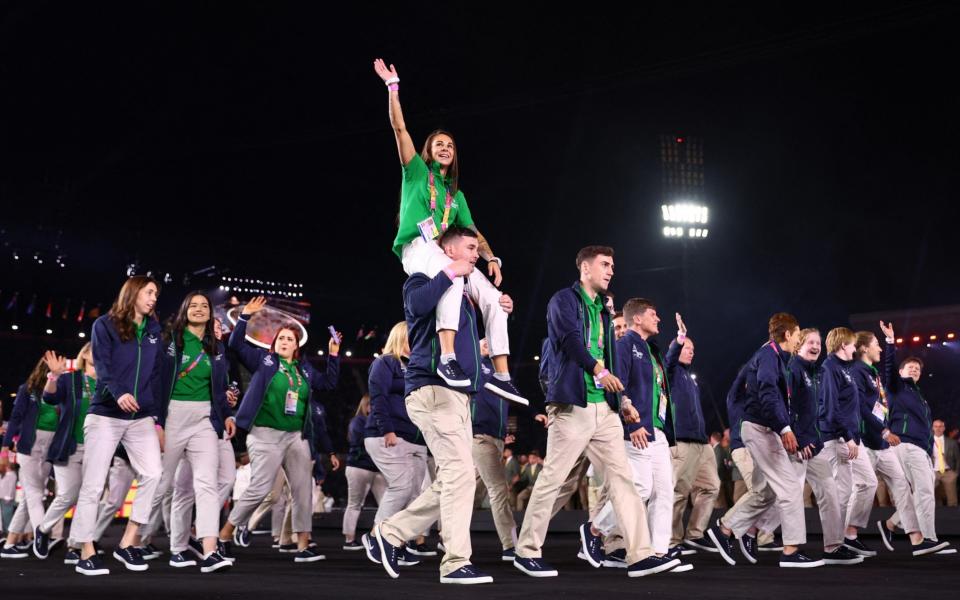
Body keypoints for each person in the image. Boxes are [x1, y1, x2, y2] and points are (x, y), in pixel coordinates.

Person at [513, 245, 677, 578]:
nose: (611, 270)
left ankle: (640, 554)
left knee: (624, 482)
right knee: (553, 480)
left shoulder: (604, 309)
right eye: (605, 264)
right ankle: (526, 550)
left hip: (605, 409)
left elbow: (611, 358)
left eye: (613, 265)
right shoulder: (564, 301)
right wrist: (599, 371)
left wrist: (625, 402)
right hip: (573, 406)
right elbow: (572, 341)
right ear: (585, 269)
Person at [372, 58, 524, 406]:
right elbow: (400, 130)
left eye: (450, 146)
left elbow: (474, 232)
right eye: (438, 144)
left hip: (446, 255)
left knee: (494, 300)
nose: (444, 148)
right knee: (454, 273)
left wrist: (491, 257)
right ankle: (447, 357)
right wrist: (393, 88)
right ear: (429, 150)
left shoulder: (456, 197)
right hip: (417, 250)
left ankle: (502, 374)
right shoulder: (414, 174)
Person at [364, 226, 509, 585]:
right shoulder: (421, 277)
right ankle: (455, 561)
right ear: (446, 247)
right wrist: (448, 272)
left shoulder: (464, 296)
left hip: (457, 396)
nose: (477, 254)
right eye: (471, 247)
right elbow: (415, 306)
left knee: (455, 478)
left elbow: (469, 346)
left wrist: (498, 305)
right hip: (431, 388)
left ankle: (389, 534)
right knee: (460, 475)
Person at [218, 296, 340, 563]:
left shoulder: (304, 371)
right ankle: (225, 534)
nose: (285, 342)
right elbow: (236, 345)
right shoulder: (265, 361)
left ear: (297, 346)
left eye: (290, 339)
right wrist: (244, 317)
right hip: (265, 434)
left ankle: (303, 546)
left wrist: (333, 355)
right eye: (281, 338)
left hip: (297, 436)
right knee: (261, 489)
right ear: (274, 344)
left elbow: (329, 383)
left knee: (302, 491)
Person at [708, 313, 824, 568]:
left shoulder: (775, 357)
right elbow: (768, 393)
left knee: (765, 491)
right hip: (762, 429)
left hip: (762, 427)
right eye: (797, 335)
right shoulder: (769, 356)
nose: (799, 340)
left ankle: (724, 528)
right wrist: (785, 429)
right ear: (787, 335)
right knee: (791, 487)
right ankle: (791, 551)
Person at [137, 292, 235, 572]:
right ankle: (135, 540)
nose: (200, 309)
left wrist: (226, 415)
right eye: (193, 305)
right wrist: (156, 420)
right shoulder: (171, 341)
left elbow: (220, 386)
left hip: (205, 418)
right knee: (161, 482)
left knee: (206, 484)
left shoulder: (215, 348)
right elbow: (155, 380)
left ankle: (209, 551)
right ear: (184, 311)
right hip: (173, 416)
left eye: (205, 306)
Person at [592, 301, 690, 570]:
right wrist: (630, 422)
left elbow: (665, 372)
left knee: (664, 491)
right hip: (637, 427)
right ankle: (594, 530)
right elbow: (616, 383)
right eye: (653, 314)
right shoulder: (625, 345)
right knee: (642, 488)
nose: (658, 318)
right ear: (637, 319)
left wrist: (679, 340)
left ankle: (658, 552)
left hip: (657, 430)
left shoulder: (650, 349)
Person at [784, 329, 862, 566]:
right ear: (798, 345)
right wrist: (796, 436)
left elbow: (817, 412)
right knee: (787, 496)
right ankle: (785, 548)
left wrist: (814, 439)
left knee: (829, 491)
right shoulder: (793, 369)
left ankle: (833, 546)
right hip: (795, 444)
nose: (816, 346)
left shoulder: (817, 372)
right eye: (810, 342)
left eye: (818, 342)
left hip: (814, 445)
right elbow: (785, 406)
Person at [362, 321, 431, 562]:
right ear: (400, 337)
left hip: (415, 438)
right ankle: (375, 536)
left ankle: (396, 542)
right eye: (410, 337)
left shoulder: (418, 368)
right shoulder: (385, 362)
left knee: (415, 493)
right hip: (389, 435)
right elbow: (378, 397)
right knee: (401, 487)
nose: (414, 343)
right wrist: (387, 430)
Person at [32, 345, 97, 563]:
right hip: (68, 447)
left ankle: (75, 546)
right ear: (85, 354)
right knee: (68, 495)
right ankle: (42, 529)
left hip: (97, 450)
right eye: (95, 348)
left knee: (90, 498)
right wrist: (54, 376)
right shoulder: (71, 380)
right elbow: (50, 399)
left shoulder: (109, 383)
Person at [666, 315, 720, 555]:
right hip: (682, 441)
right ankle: (670, 541)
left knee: (711, 487)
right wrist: (679, 339)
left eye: (693, 349)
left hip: (701, 442)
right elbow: (668, 360)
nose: (691, 352)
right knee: (678, 492)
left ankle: (695, 534)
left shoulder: (690, 377)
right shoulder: (671, 371)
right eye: (687, 348)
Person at [821, 327, 878, 556]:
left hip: (852, 438)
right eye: (853, 344)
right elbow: (831, 409)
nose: (855, 347)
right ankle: (833, 546)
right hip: (838, 438)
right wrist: (847, 437)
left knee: (868, 482)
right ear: (843, 344)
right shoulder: (829, 368)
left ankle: (849, 534)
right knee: (841, 493)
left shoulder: (845, 369)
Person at [887, 354, 951, 555]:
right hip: (906, 444)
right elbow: (889, 368)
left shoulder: (919, 396)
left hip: (921, 449)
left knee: (920, 493)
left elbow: (926, 428)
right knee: (924, 492)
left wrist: (929, 449)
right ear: (901, 372)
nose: (914, 370)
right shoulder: (897, 387)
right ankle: (929, 540)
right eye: (910, 367)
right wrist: (890, 342)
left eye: (917, 368)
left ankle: (890, 523)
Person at [1, 357, 56, 559]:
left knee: (29, 497)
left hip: (50, 446)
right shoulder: (28, 389)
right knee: (34, 493)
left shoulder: (61, 391)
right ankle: (41, 534)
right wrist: (5, 446)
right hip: (29, 444)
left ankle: (9, 544)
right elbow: (16, 417)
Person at [471, 338, 520, 560]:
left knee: (471, 492)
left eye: (492, 342)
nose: (488, 344)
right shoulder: (473, 363)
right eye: (483, 341)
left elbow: (513, 397)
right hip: (479, 435)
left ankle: (446, 533)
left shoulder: (501, 372)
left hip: (496, 437)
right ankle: (511, 545)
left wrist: (536, 412)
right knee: (499, 490)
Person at [342, 395, 386, 550]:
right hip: (359, 466)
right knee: (354, 504)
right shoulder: (359, 421)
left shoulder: (380, 422)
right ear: (366, 406)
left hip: (377, 468)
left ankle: (378, 537)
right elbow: (359, 442)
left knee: (386, 503)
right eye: (371, 405)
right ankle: (349, 539)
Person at [932, 420, 958, 506]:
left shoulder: (952, 442)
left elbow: (958, 459)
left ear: (944, 428)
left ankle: (954, 517)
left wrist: (956, 473)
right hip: (932, 472)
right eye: (936, 426)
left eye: (940, 426)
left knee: (952, 501)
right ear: (932, 428)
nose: (938, 428)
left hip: (949, 473)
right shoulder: (927, 442)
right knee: (929, 497)